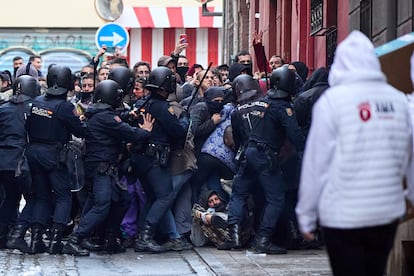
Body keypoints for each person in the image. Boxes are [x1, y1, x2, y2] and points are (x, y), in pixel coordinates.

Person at [295, 30, 414, 276]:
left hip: (342, 215)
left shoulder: (333, 102)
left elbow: (316, 163)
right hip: (385, 211)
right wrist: (411, 195)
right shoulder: (399, 101)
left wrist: (306, 214)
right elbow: (408, 155)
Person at [62, 80, 154, 256]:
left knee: (122, 200)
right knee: (102, 204)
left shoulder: (98, 113)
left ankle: (109, 238)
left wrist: (128, 115)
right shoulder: (106, 117)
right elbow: (130, 133)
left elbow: (116, 119)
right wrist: (146, 131)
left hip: (102, 167)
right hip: (102, 168)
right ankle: (76, 239)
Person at [219, 66, 305, 254]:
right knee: (276, 198)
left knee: (238, 194)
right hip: (266, 156)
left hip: (248, 154)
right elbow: (295, 135)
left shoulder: (253, 106)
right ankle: (263, 239)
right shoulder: (281, 107)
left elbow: (239, 138)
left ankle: (232, 236)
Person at [23, 65, 87, 254]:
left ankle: (36, 240)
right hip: (54, 155)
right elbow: (80, 131)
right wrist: (83, 120)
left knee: (42, 197)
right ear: (68, 83)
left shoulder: (36, 102)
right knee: (63, 196)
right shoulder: (66, 106)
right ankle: (56, 241)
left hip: (33, 152)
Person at [130, 66, 187, 253]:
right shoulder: (163, 107)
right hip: (154, 157)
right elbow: (178, 132)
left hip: (140, 157)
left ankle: (141, 235)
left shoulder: (142, 103)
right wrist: (185, 120)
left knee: (153, 197)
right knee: (165, 196)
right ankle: (145, 235)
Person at [0, 75, 40, 249]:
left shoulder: (3, 109)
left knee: (10, 198)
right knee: (33, 198)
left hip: (3, 161)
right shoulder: (34, 110)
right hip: (22, 162)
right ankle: (17, 233)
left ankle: (2, 236)